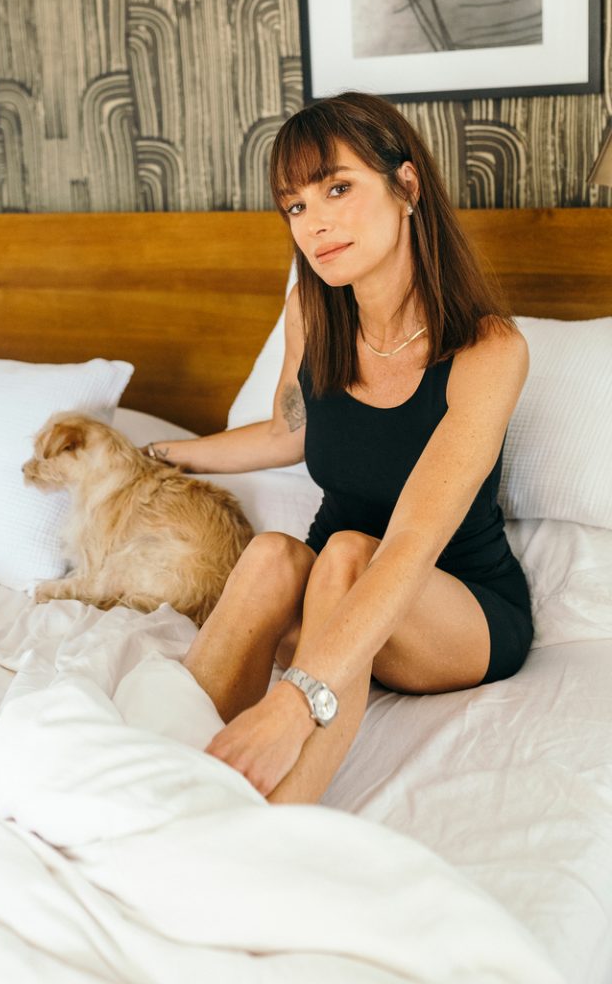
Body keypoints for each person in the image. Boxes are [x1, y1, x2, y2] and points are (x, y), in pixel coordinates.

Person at [146, 91, 532, 805]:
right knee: (268, 555)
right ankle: (156, 775)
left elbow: (412, 541)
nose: (314, 223)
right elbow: (285, 433)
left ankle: (275, 828)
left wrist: (292, 703)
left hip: (457, 613)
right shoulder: (311, 313)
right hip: (334, 592)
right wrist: (161, 453)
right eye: (295, 206)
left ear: (407, 186)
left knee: (353, 552)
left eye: (337, 188)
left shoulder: (489, 350)